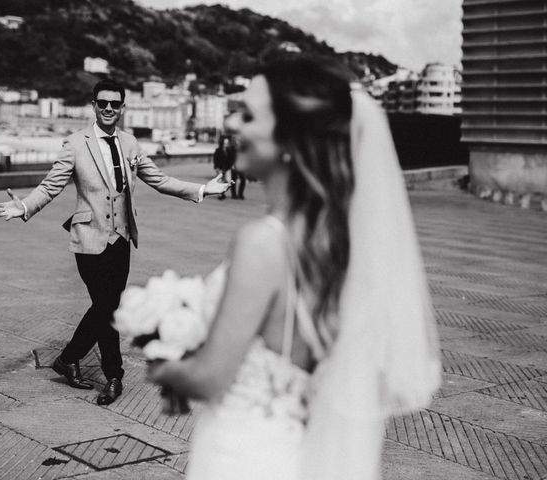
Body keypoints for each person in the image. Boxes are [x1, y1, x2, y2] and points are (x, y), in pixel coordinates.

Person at [147, 57, 440, 480]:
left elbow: (210, 378)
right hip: (293, 450)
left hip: (243, 455)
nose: (232, 124)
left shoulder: (263, 242)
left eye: (248, 115)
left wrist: (163, 361)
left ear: (290, 138)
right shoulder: (335, 242)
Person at [0, 79, 230, 406]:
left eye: (114, 104)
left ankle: (69, 359)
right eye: (102, 103)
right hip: (88, 239)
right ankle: (113, 375)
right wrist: (24, 207)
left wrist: (202, 190)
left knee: (108, 306)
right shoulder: (76, 144)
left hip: (121, 240)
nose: (108, 109)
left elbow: (159, 180)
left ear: (122, 108)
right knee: (107, 307)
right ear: (93, 105)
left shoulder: (130, 144)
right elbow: (50, 186)